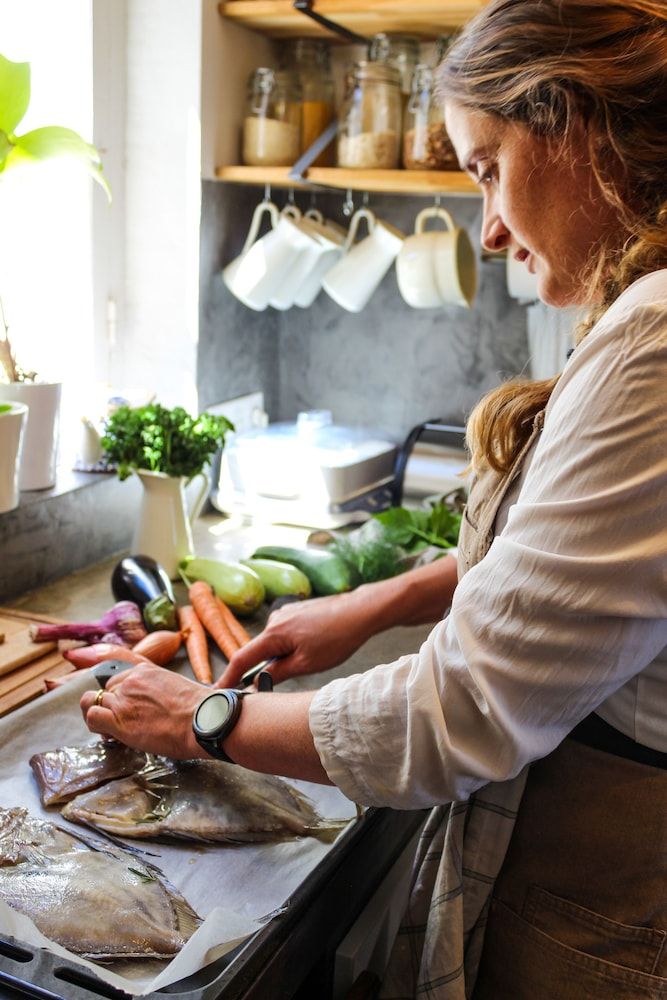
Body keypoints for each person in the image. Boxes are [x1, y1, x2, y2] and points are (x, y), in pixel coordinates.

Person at [82, 1, 667, 996]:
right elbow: (597, 565)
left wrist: (200, 717)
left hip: (604, 881)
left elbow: (458, 711)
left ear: (570, 121)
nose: (487, 230)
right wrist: (385, 599)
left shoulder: (653, 340)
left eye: (487, 167)